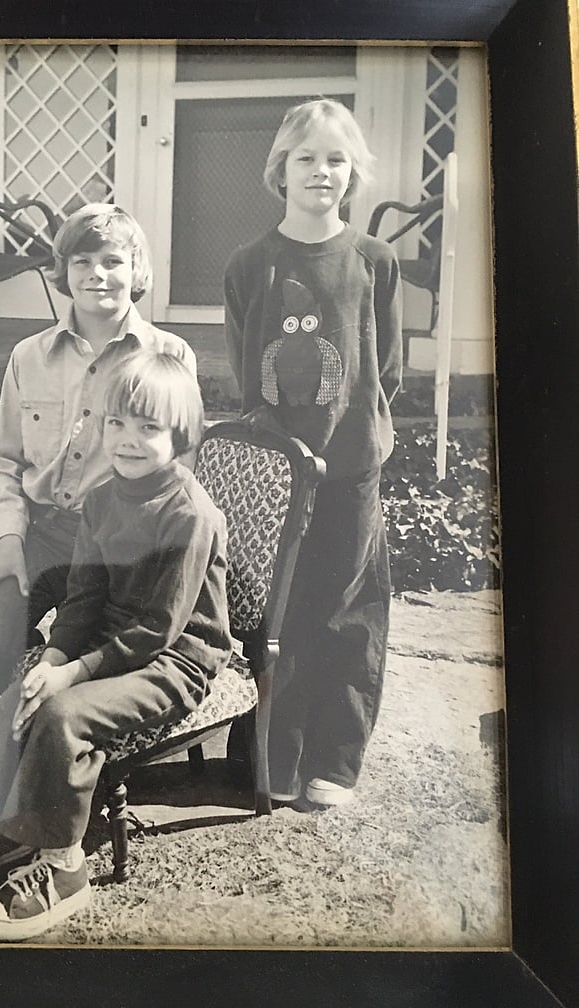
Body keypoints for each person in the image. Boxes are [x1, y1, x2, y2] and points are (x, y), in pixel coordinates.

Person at [0, 351, 233, 941]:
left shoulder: (190, 515)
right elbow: (84, 597)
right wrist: (54, 658)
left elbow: (157, 629)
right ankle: (2, 828)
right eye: (117, 423)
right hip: (111, 637)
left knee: (64, 716)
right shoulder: (101, 498)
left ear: (183, 435)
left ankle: (64, 864)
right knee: (18, 698)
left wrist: (72, 679)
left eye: (149, 428)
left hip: (172, 659)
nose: (127, 440)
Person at [223, 98, 402, 808]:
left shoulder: (374, 261)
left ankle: (336, 759)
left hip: (350, 468)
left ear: (353, 170)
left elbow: (382, 371)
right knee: (280, 613)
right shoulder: (249, 264)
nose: (322, 171)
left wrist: (355, 443)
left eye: (336, 159)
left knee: (347, 615)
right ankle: (277, 755)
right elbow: (246, 375)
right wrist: (281, 449)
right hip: (276, 471)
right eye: (307, 158)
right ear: (281, 170)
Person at [0, 204, 196, 694]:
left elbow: (180, 469)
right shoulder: (29, 355)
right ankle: (26, 691)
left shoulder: (170, 357)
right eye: (82, 262)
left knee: (94, 659)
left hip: (120, 543)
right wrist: (7, 542)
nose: (97, 275)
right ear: (64, 270)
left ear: (136, 269)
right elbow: (5, 462)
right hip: (43, 533)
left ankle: (60, 717)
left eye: (112, 261)